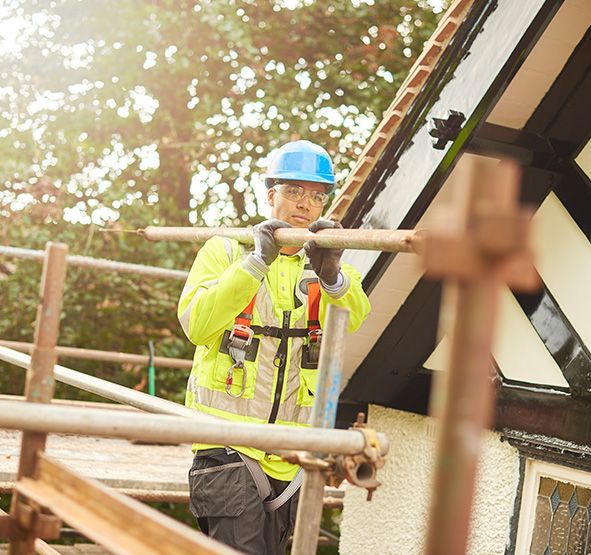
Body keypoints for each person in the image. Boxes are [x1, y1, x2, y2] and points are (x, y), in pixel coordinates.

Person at [178, 140, 370, 554]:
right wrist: (255, 264)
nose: (305, 203)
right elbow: (198, 324)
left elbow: (355, 316)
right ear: (271, 195)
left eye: (316, 195)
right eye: (294, 191)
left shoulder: (326, 261)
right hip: (227, 447)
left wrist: (333, 278)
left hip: (295, 455)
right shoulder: (226, 250)